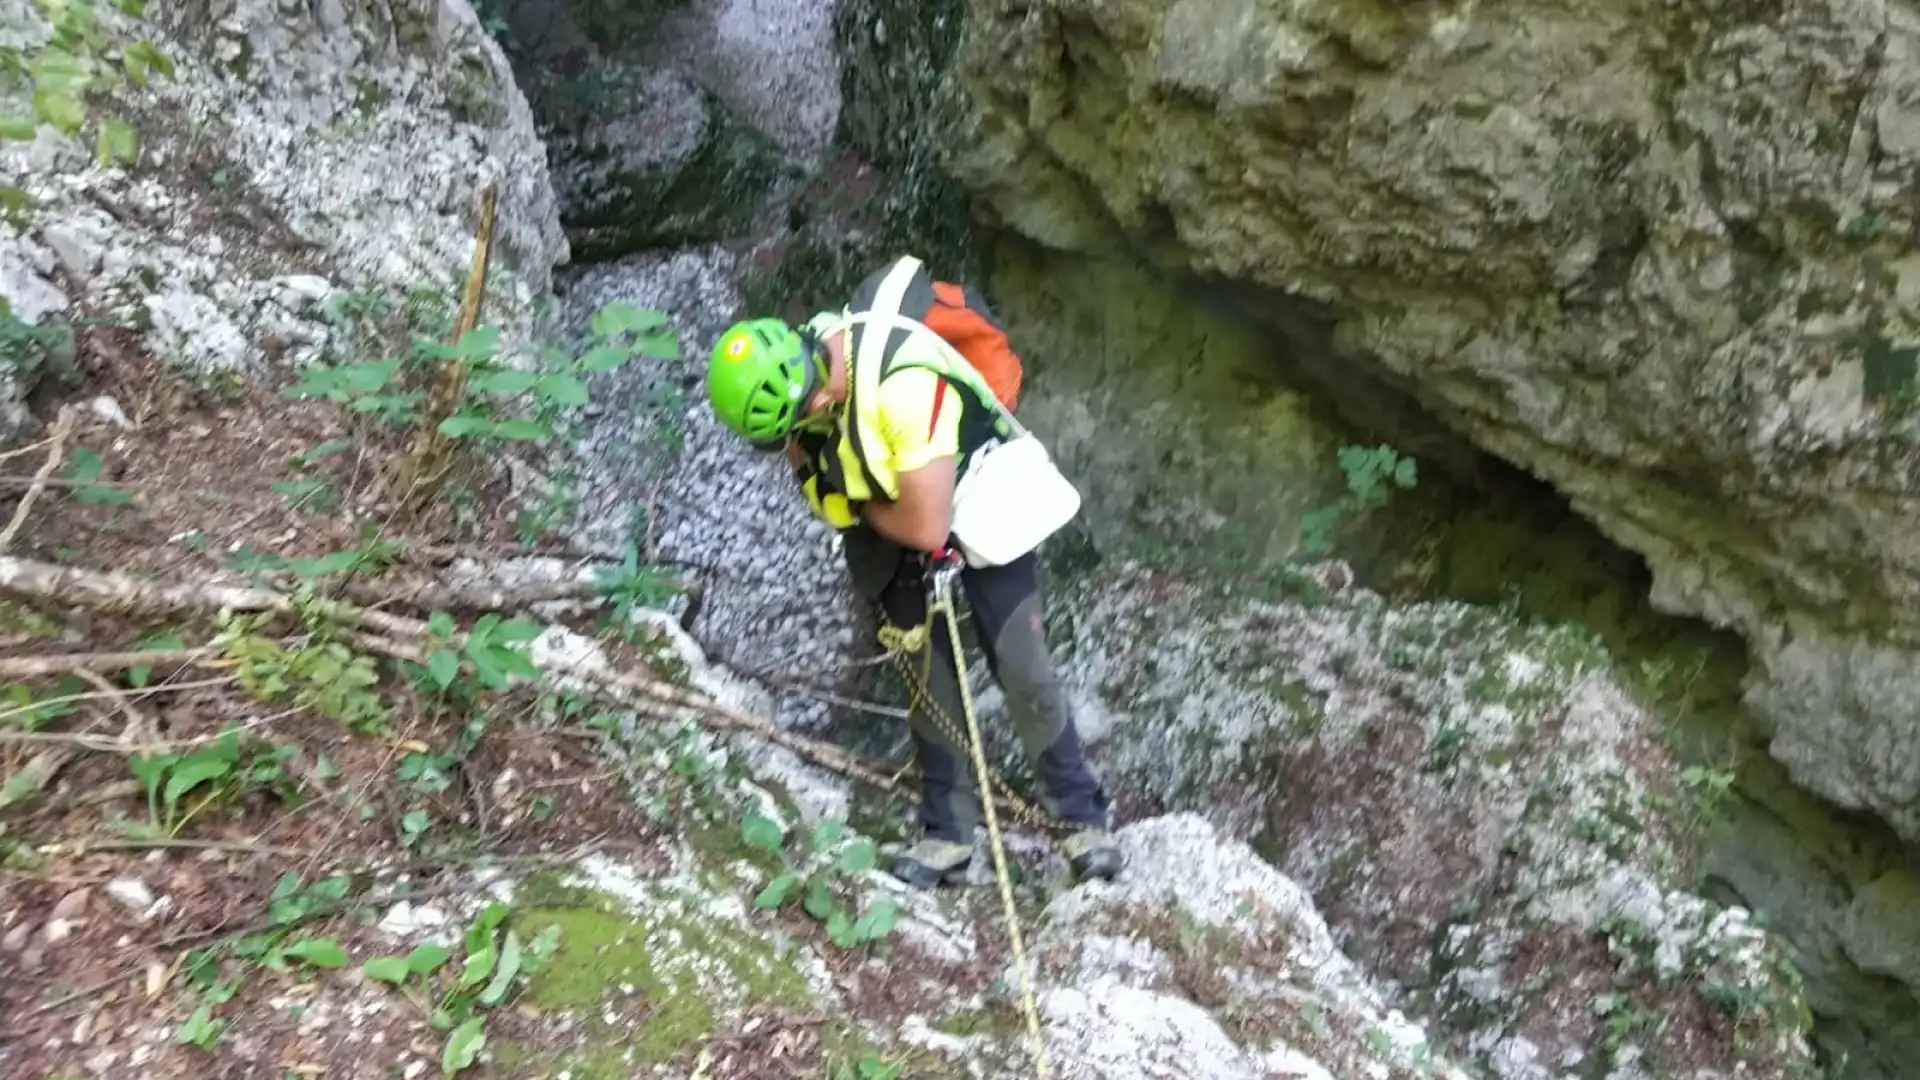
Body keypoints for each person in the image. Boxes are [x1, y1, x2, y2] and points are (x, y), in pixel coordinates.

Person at [702, 255, 1123, 889]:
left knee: (1022, 665)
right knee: (926, 687)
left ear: (811, 367)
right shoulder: (803, 407)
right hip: (887, 518)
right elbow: (832, 485)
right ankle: (947, 836)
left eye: (806, 412)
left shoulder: (899, 382)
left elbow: (926, 525)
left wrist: (858, 504)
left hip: (976, 499)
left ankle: (1081, 822)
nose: (801, 432)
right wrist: (839, 488)